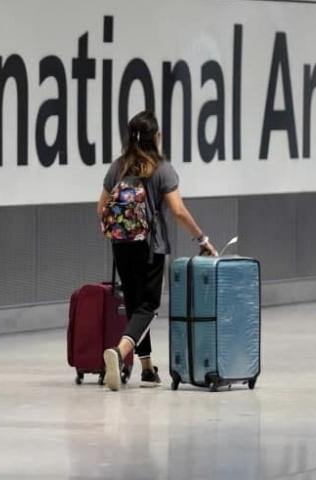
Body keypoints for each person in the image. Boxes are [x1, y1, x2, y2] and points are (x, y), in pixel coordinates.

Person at [97, 110, 217, 391]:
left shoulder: (117, 167)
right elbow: (178, 211)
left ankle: (147, 370)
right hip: (151, 246)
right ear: (157, 137)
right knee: (148, 306)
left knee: (135, 305)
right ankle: (118, 353)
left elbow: (101, 208)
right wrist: (202, 239)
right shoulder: (161, 169)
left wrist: (118, 231)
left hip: (121, 245)